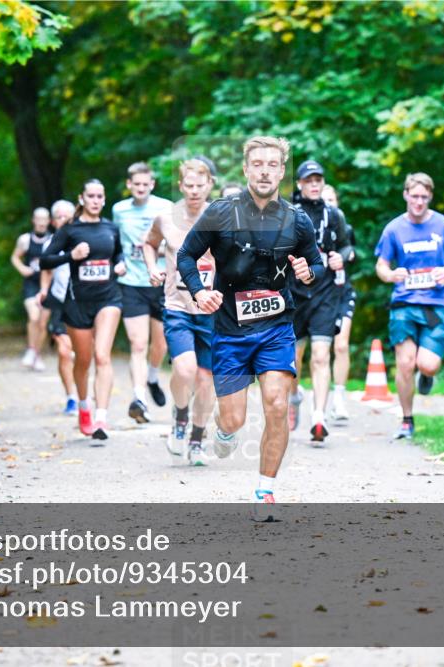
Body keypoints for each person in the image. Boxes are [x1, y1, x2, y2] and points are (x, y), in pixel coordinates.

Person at [178, 136, 324, 521]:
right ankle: (223, 432)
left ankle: (265, 490)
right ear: (245, 169)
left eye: (272, 164)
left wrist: (309, 272)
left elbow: (317, 263)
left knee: (277, 403)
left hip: (276, 327)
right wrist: (198, 292)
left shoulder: (297, 219)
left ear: (281, 171)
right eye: (256, 164)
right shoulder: (220, 213)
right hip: (230, 330)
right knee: (234, 419)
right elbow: (186, 256)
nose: (264, 170)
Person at [374, 172, 444, 440]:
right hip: (404, 303)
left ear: (430, 197)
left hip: (437, 302)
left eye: (424, 197)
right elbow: (381, 265)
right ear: (405, 195)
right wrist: (391, 275)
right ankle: (406, 419)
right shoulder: (393, 229)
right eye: (414, 196)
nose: (419, 201)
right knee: (405, 363)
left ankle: (426, 377)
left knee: (427, 365)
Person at [144, 159, 217, 465]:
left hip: (213, 310)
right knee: (184, 370)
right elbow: (149, 244)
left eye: (200, 185)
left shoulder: (222, 218)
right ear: (181, 185)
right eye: (189, 185)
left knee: (205, 381)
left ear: (210, 185)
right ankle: (180, 417)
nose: (195, 191)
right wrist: (153, 268)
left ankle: (197, 440)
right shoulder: (165, 218)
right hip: (177, 307)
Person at [40, 180, 125, 440]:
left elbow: (119, 254)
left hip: (108, 298)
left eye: (100, 196)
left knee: (102, 356)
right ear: (82, 198)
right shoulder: (70, 229)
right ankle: (84, 406)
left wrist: (121, 265)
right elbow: (45, 260)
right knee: (84, 360)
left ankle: (101, 419)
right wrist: (71, 256)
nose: (96, 200)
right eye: (91, 196)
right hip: (77, 302)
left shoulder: (111, 227)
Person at [287, 161, 353, 444]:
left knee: (321, 355)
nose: (314, 185)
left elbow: (348, 245)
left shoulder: (333, 214)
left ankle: (319, 418)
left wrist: (342, 256)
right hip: (295, 294)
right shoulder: (288, 214)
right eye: (309, 180)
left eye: (318, 180)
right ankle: (294, 396)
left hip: (325, 294)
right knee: (294, 360)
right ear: (300, 184)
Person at [112, 163, 172, 423]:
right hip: (132, 283)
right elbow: (114, 241)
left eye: (145, 184)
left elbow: (175, 242)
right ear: (129, 185)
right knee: (138, 344)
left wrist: (154, 249)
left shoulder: (166, 207)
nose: (140, 188)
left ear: (152, 185)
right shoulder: (119, 210)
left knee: (161, 344)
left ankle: (152, 377)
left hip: (160, 282)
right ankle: (139, 399)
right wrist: (119, 260)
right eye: (136, 184)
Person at [38, 200, 78, 415]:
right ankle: (71, 397)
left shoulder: (84, 238)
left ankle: (83, 394)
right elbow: (46, 270)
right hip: (60, 302)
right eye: (60, 216)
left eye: (68, 216)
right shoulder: (50, 244)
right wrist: (43, 290)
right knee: (64, 352)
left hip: (83, 303)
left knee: (83, 353)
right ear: (53, 221)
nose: (64, 220)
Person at [322, 184, 356, 422]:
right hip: (317, 297)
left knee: (341, 345)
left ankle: (339, 399)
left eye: (332, 200)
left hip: (343, 293)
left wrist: (348, 257)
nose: (328, 204)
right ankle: (294, 394)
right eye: (324, 200)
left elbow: (352, 253)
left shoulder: (346, 228)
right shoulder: (308, 229)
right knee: (304, 351)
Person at [11, 207, 53, 370]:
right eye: (38, 219)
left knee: (43, 323)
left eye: (44, 219)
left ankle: (36, 354)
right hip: (31, 284)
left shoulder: (53, 239)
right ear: (33, 221)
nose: (41, 223)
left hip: (48, 285)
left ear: (49, 221)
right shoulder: (25, 240)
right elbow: (15, 257)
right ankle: (31, 350)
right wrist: (22, 269)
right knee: (34, 317)